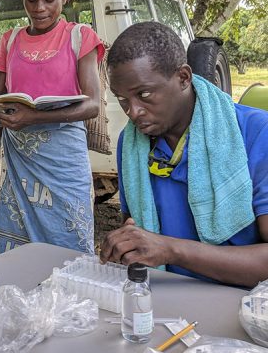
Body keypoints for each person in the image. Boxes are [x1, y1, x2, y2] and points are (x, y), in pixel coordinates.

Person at [100, 22, 268, 287]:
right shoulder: (131, 145)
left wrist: (171, 249)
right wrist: (127, 245)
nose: (133, 112)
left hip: (241, 302)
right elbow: (137, 234)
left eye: (144, 94)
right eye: (122, 99)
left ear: (183, 78)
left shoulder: (255, 133)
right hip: (164, 297)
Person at [0, 0, 104, 255]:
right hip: (21, 161)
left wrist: (33, 117)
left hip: (63, 162)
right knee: (20, 249)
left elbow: (93, 104)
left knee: (70, 242)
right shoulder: (10, 40)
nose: (39, 7)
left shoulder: (80, 37)